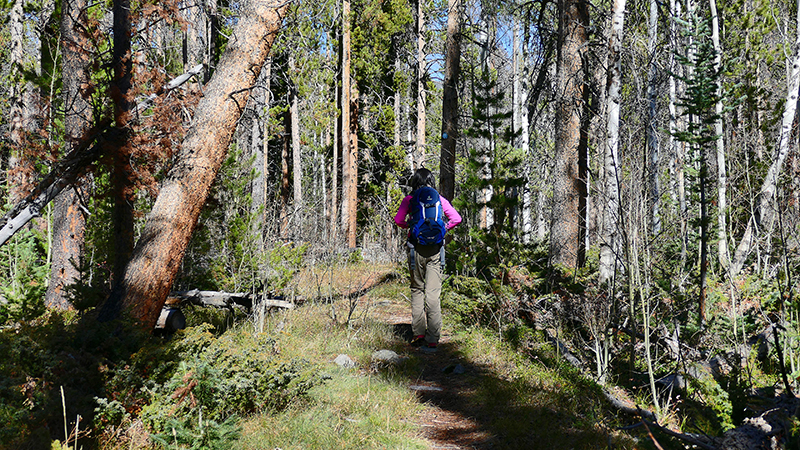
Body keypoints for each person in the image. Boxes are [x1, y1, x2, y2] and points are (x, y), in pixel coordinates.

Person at [394, 168, 461, 350]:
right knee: (433, 294)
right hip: (436, 251)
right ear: (431, 181)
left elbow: (398, 220)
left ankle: (418, 333)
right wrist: (443, 228)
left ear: (414, 181)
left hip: (415, 249)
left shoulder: (409, 199)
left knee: (417, 290)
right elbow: (457, 218)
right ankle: (433, 338)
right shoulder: (439, 198)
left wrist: (411, 225)